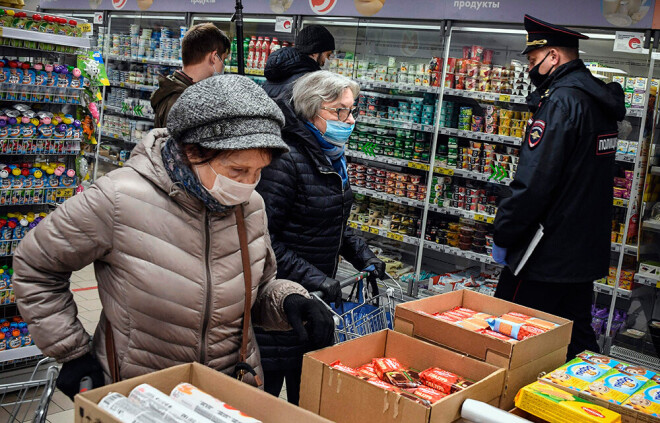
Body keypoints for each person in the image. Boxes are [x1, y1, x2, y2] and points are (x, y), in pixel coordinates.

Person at [12, 75, 334, 400]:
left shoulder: (250, 207)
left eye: (259, 171)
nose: (250, 184)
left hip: (226, 393)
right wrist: (72, 353)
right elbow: (35, 266)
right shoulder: (119, 198)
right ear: (193, 151)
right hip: (141, 395)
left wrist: (288, 299)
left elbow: (255, 290)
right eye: (238, 170)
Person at [491, 15, 626, 358]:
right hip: (582, 250)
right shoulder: (599, 101)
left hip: (545, 252)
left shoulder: (561, 102)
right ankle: (591, 400)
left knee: (507, 334)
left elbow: (534, 183)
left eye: (534, 61)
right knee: (577, 338)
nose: (531, 70)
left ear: (553, 57)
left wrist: (505, 232)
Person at [256, 71, 385, 404]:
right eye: (340, 111)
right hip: (277, 303)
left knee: (309, 394)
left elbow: (333, 222)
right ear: (312, 109)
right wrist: (314, 277)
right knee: (260, 399)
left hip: (315, 301)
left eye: (352, 110)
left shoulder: (333, 156)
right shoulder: (285, 160)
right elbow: (263, 238)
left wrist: (364, 255)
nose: (350, 119)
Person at [151, 23, 230, 128]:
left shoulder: (175, 88)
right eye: (223, 60)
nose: (223, 66)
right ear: (214, 57)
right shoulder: (182, 103)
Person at [262, 24, 335, 99]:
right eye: (328, 55)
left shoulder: (274, 75)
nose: (328, 60)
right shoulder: (310, 83)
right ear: (315, 53)